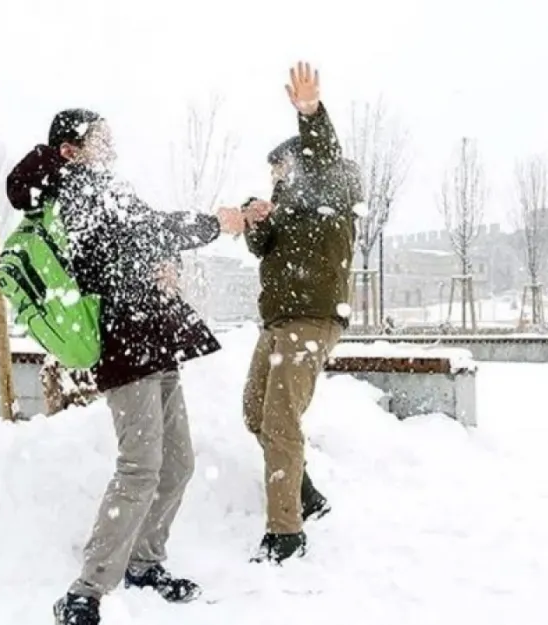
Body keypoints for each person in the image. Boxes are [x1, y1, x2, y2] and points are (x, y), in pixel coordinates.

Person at [5, 108, 248, 625]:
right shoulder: (73, 188)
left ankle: (144, 563)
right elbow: (144, 230)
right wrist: (214, 224)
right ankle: (85, 591)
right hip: (124, 340)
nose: (111, 145)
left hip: (154, 336)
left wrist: (169, 266)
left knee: (178, 463)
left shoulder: (105, 187)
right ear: (72, 148)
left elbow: (144, 240)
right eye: (100, 138)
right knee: (139, 466)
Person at [239, 62, 363, 564]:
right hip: (279, 323)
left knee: (281, 420)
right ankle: (305, 493)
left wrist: (310, 112)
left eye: (280, 170)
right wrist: (254, 217)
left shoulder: (333, 186)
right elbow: (260, 247)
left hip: (312, 320)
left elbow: (325, 154)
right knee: (255, 412)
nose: (276, 179)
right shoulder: (286, 209)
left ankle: (286, 534)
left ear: (300, 162)